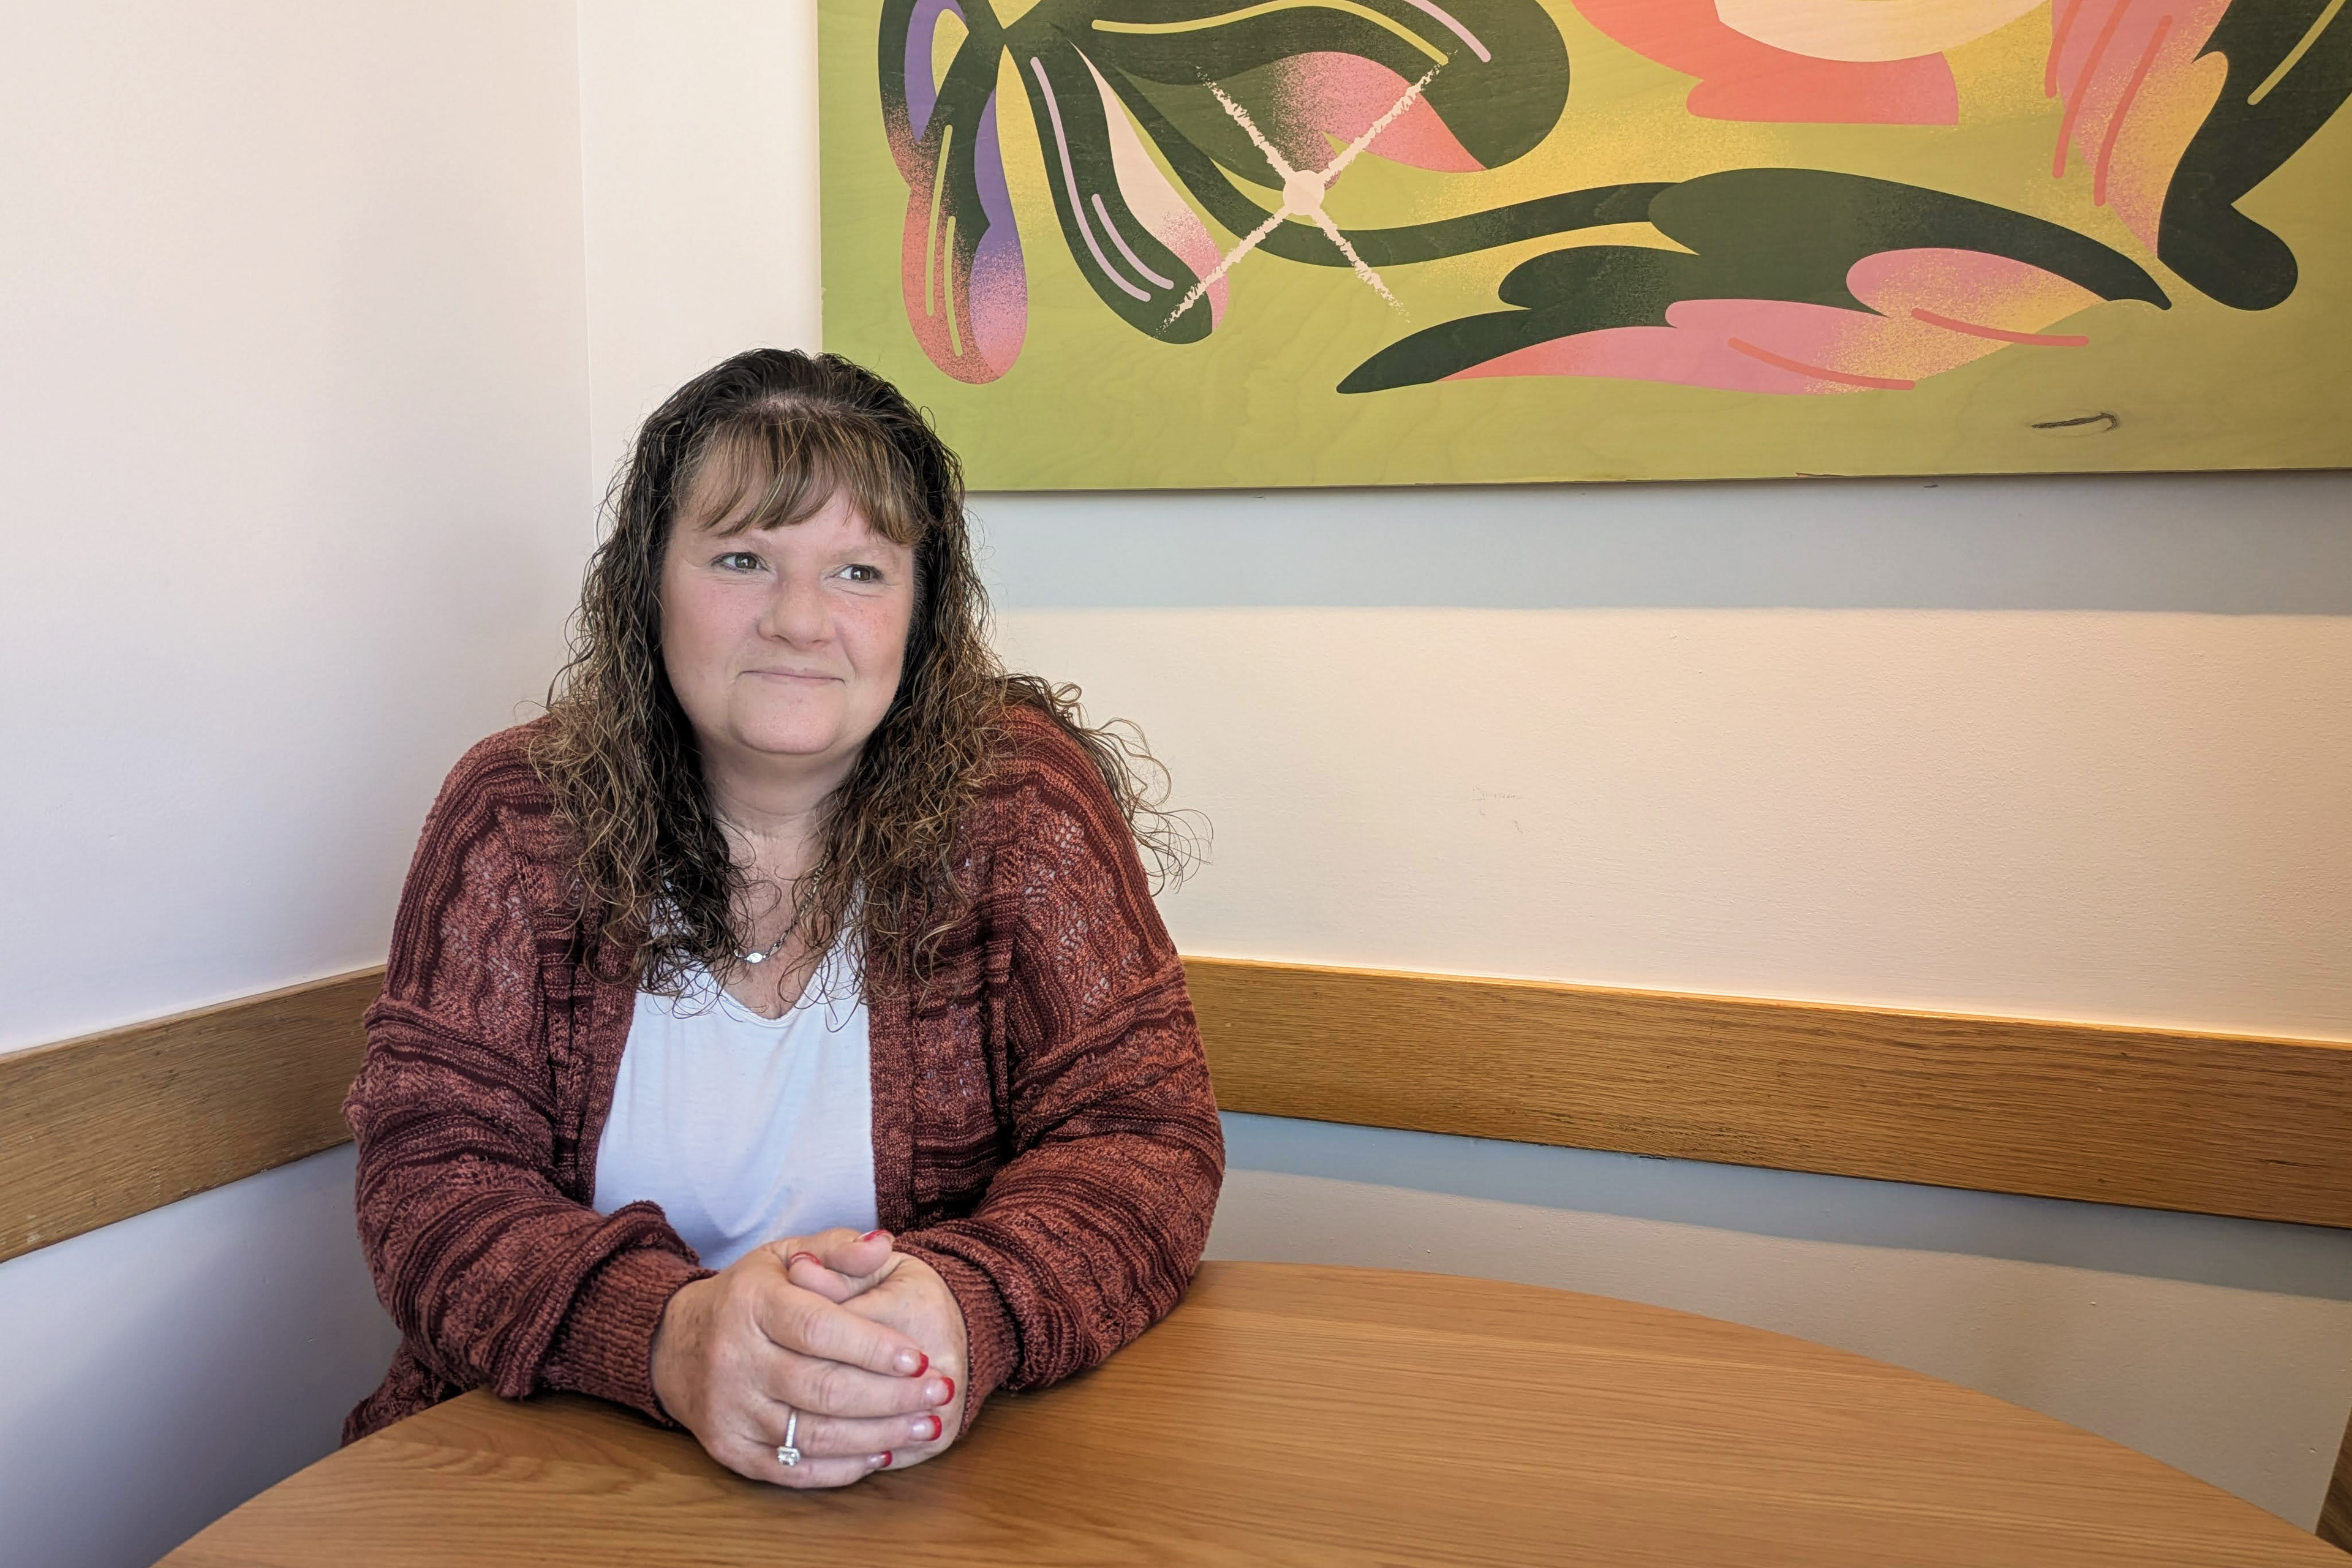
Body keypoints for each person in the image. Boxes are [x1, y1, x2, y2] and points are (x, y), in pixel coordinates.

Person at [341, 348, 1224, 1488]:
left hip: (921, 1481)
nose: (802, 620)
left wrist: (967, 1305)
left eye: (859, 571)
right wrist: (670, 1336)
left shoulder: (1024, 808)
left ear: (925, 608)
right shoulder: (516, 818)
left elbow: (1145, 1142)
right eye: (743, 558)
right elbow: (428, 1182)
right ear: (648, 585)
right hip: (545, 1476)